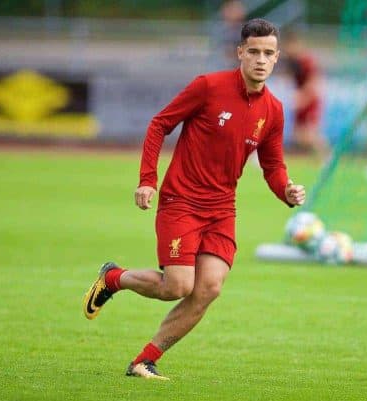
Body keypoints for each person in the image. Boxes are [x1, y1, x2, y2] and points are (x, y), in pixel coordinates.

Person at [82, 18, 305, 380]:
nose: (260, 60)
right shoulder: (208, 86)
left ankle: (144, 361)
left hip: (222, 209)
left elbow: (273, 166)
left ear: (277, 58)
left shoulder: (274, 110)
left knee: (209, 288)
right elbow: (159, 124)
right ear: (240, 53)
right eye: (253, 52)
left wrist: (287, 191)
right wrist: (147, 180)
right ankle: (113, 278)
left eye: (268, 53)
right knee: (178, 287)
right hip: (181, 201)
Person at [281, 29, 329, 157]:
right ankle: (321, 157)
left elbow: (314, 82)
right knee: (299, 135)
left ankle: (326, 158)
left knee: (309, 133)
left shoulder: (306, 61)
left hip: (310, 99)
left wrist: (303, 97)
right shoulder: (291, 61)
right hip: (302, 99)